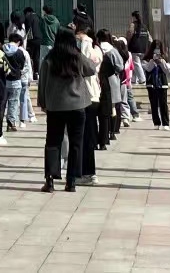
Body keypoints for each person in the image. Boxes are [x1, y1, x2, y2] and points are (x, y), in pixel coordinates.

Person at [38, 29, 96, 192]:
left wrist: (43, 102)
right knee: (76, 143)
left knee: (53, 142)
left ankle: (50, 180)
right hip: (77, 106)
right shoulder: (77, 57)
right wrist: (79, 52)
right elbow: (91, 69)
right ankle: (71, 181)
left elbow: (42, 82)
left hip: (55, 106)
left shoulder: (49, 59)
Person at [76, 25, 103, 185]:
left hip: (89, 96)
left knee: (86, 137)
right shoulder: (93, 50)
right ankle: (82, 171)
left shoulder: (94, 51)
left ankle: (88, 173)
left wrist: (85, 40)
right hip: (88, 96)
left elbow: (86, 64)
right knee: (83, 136)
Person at [95, 29, 124, 149]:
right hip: (111, 79)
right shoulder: (113, 50)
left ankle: (100, 137)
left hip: (97, 80)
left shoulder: (95, 49)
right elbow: (120, 66)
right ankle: (112, 132)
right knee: (111, 108)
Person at [142, 40, 170, 130]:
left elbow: (167, 70)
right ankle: (156, 122)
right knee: (154, 104)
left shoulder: (164, 58)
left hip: (162, 84)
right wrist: (152, 61)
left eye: (158, 49)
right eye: (155, 49)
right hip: (151, 84)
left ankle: (165, 123)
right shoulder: (147, 58)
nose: (156, 52)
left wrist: (161, 62)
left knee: (163, 104)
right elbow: (147, 69)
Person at [4, 34, 27, 131]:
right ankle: (11, 123)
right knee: (13, 102)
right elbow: (22, 66)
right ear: (18, 42)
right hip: (16, 80)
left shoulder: (2, 50)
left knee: (2, 103)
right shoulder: (19, 52)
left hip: (4, 80)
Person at [23, 7, 41, 79]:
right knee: (37, 57)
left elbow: (26, 29)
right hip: (39, 39)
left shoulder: (28, 17)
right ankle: (36, 73)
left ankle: (30, 73)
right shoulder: (39, 17)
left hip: (31, 40)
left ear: (28, 12)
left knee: (29, 56)